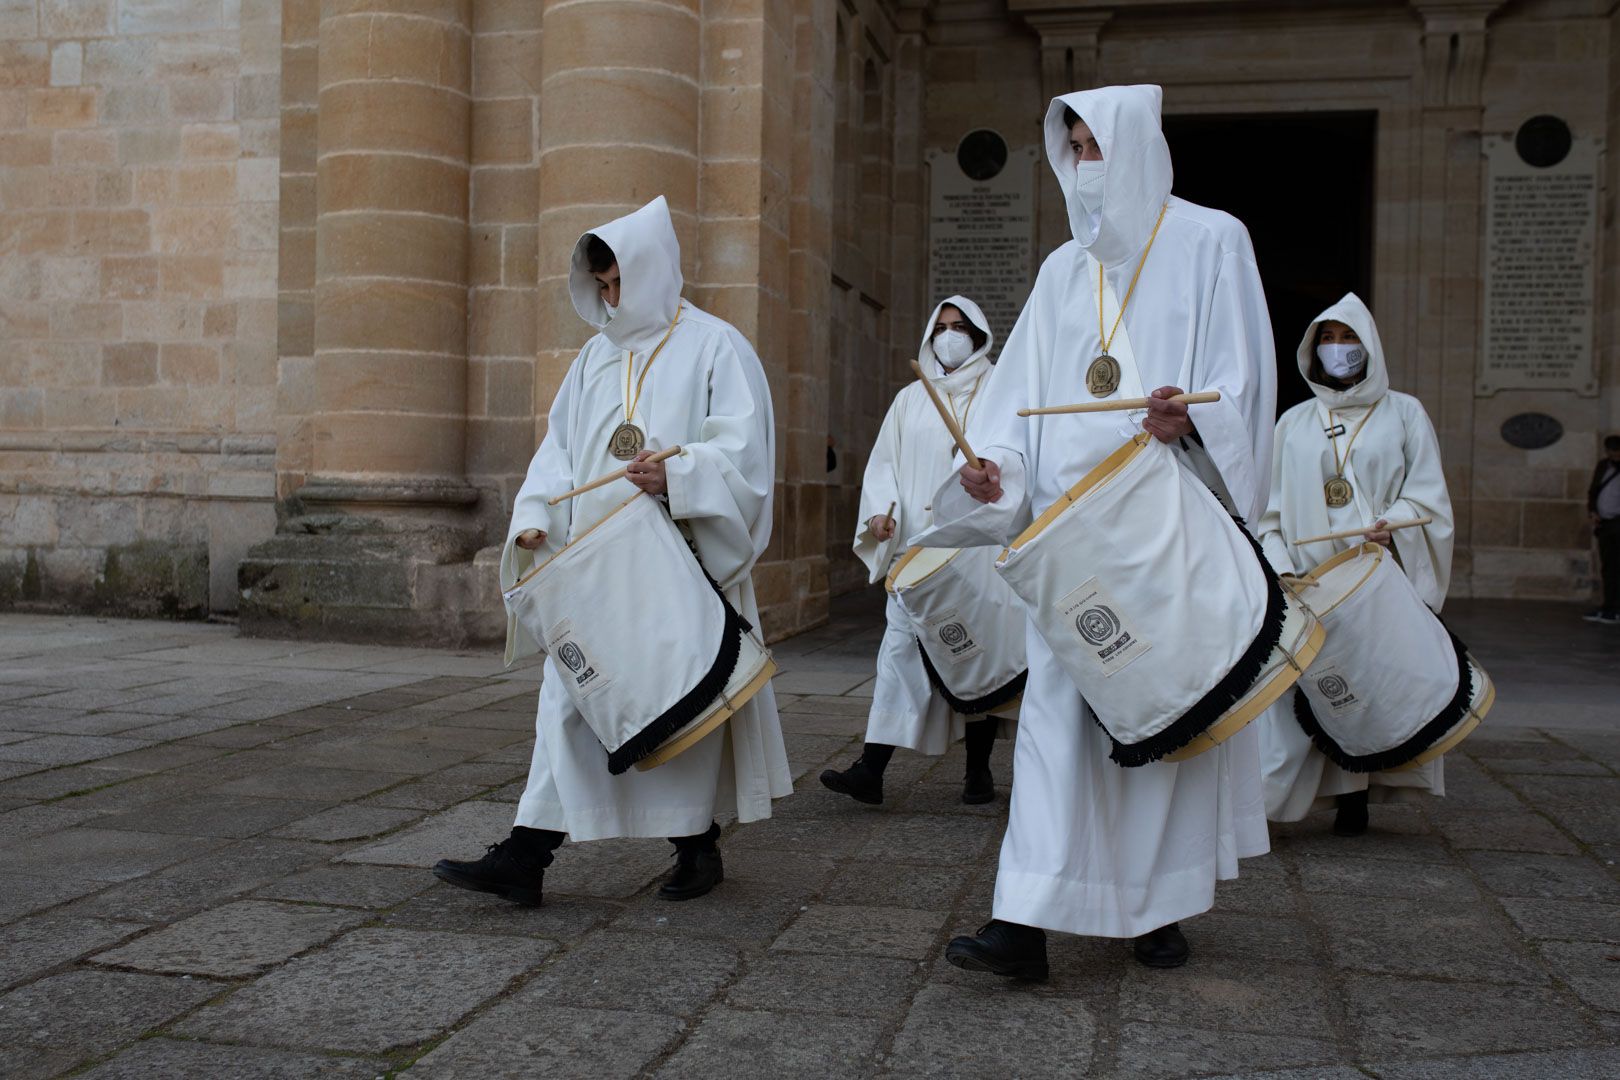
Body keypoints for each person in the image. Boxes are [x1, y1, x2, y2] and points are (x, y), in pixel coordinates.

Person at [916, 85, 1276, 979]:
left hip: (1160, 528)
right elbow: (1014, 409)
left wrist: (1187, 419)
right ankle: (1024, 921)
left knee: (1155, 722)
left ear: (1140, 148)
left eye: (1098, 145)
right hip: (1070, 542)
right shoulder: (1059, 271)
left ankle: (1153, 909)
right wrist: (991, 469)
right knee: (1052, 721)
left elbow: (1243, 385)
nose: (1085, 163)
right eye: (1071, 146)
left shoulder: (1210, 240)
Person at [432, 196, 792, 906]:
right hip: (598, 568)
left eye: (619, 282)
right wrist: (536, 513)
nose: (609, 297)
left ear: (653, 268)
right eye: (599, 285)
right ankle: (527, 855)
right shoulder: (593, 359)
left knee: (675, 705)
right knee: (572, 697)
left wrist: (679, 475)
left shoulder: (717, 346)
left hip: (675, 567)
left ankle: (694, 846)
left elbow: (745, 457)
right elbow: (558, 451)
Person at [1255, 294, 1455, 835]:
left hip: (1373, 573)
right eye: (1327, 338)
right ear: (1311, 349)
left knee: (1371, 683)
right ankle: (1273, 800)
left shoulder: (1405, 412)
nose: (1338, 349)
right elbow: (1267, 509)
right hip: (1307, 577)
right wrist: (1279, 565)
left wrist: (1391, 523)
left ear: (1368, 346)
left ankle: (1358, 791)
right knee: (1303, 684)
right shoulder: (1293, 422)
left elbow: (1428, 497)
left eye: (1348, 338)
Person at [820, 296, 1010, 808]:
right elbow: (886, 464)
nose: (950, 336)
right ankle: (871, 770)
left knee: (974, 655)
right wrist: (881, 514)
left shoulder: (1004, 389)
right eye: (941, 328)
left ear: (979, 334)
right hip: (915, 555)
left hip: (976, 551)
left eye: (960, 327)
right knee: (898, 655)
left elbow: (1017, 458)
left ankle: (977, 772)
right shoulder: (910, 399)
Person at [1585, 435, 1620, 625]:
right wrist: (1592, 510)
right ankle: (1608, 605)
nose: (1613, 455)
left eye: (1617, 451)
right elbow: (1594, 490)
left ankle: (1616, 608)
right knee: (1608, 566)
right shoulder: (1603, 466)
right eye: (1611, 451)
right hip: (1605, 524)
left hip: (1618, 522)